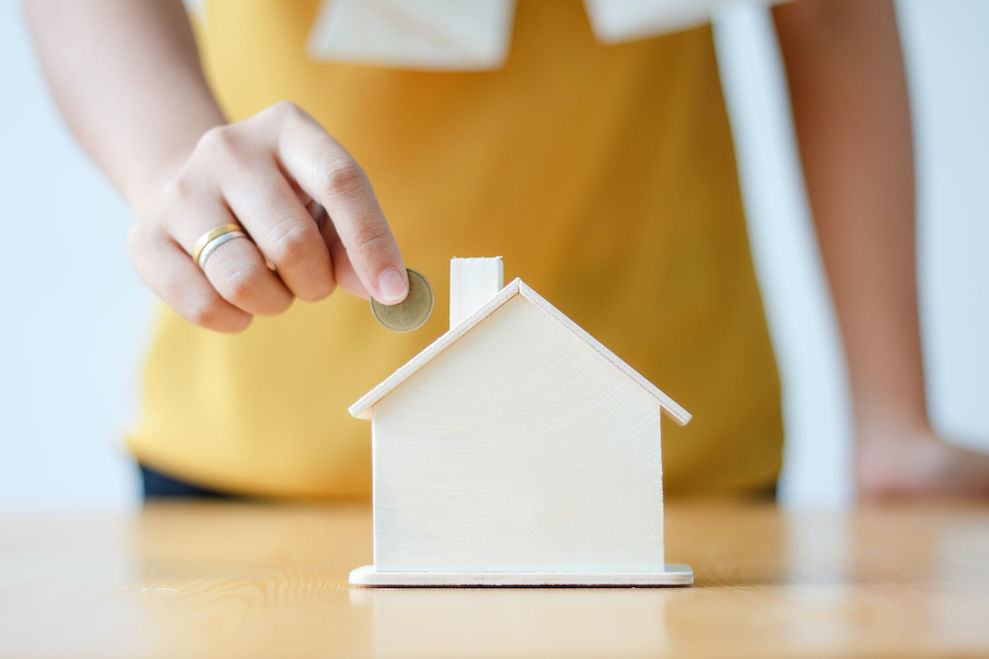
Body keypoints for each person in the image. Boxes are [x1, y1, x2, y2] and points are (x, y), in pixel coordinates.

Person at [25, 0, 989, 500]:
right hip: (267, 443)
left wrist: (894, 413)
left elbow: (827, 11)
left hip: (665, 454)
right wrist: (163, 162)